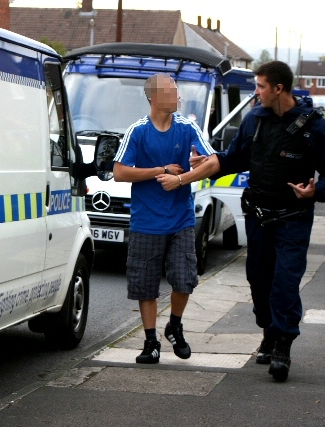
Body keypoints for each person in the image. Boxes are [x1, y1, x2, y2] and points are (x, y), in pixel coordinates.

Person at [158, 61, 325, 381]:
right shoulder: (254, 120)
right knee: (259, 282)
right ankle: (269, 331)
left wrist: (317, 190)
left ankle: (283, 345)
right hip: (259, 217)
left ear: (278, 88)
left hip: (293, 219)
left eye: (260, 87)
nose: (255, 92)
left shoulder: (313, 126)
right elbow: (235, 158)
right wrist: (209, 161)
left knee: (285, 283)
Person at [113, 73, 216, 364]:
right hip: (146, 221)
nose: (178, 97)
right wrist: (158, 170)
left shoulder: (187, 127)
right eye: (172, 92)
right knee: (145, 284)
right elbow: (119, 172)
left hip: (181, 220)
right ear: (155, 98)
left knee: (184, 280)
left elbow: (212, 161)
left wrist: (182, 178)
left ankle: (175, 325)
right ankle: (150, 341)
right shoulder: (138, 131)